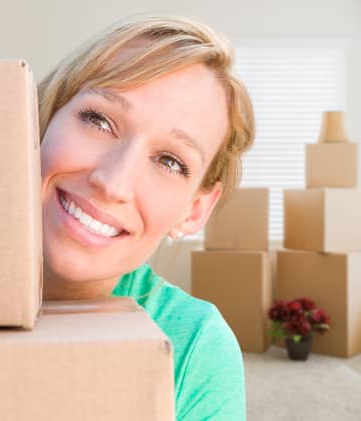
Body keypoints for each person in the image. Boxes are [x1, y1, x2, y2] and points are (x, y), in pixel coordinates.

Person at [37, 14, 254, 420]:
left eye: (169, 162)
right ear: (40, 119)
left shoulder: (193, 347)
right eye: (98, 120)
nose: (113, 183)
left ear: (195, 210)